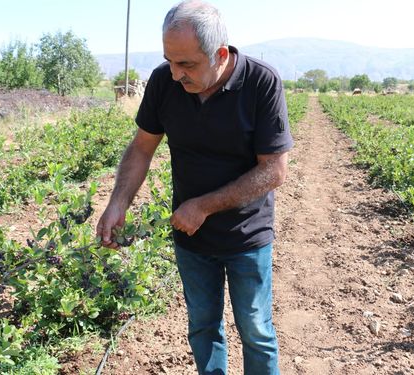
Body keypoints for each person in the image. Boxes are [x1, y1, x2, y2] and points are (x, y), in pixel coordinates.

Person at [96, 1, 293, 374]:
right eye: (170, 60)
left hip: (246, 236)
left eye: (186, 64)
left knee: (255, 330)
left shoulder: (261, 83)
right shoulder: (163, 82)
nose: (175, 73)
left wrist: (203, 206)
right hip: (190, 239)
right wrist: (118, 202)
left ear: (220, 54)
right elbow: (141, 147)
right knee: (203, 327)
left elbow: (274, 171)